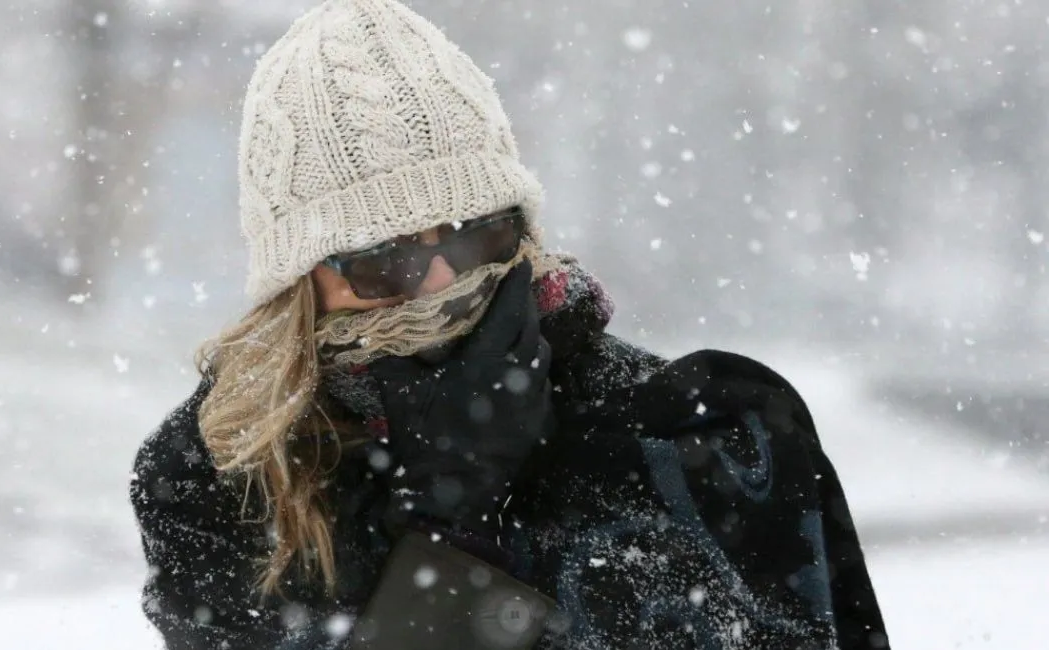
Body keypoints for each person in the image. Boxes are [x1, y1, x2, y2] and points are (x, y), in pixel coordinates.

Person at [130, 1, 889, 648]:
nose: (442, 282)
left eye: (474, 234)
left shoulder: (694, 433)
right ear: (300, 284)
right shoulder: (222, 476)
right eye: (382, 261)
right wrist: (448, 519)